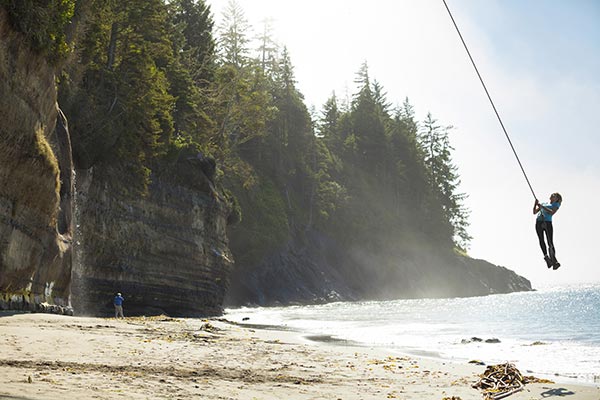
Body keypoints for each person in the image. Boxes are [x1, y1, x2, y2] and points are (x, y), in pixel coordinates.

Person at [533, 193, 562, 270]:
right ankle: (547, 258)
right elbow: (534, 212)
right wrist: (535, 204)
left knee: (550, 241)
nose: (552, 196)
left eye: (554, 196)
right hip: (539, 222)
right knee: (541, 240)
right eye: (552, 195)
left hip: (547, 223)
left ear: (557, 199)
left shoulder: (556, 205)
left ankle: (554, 260)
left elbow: (552, 212)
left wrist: (542, 207)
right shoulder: (544, 203)